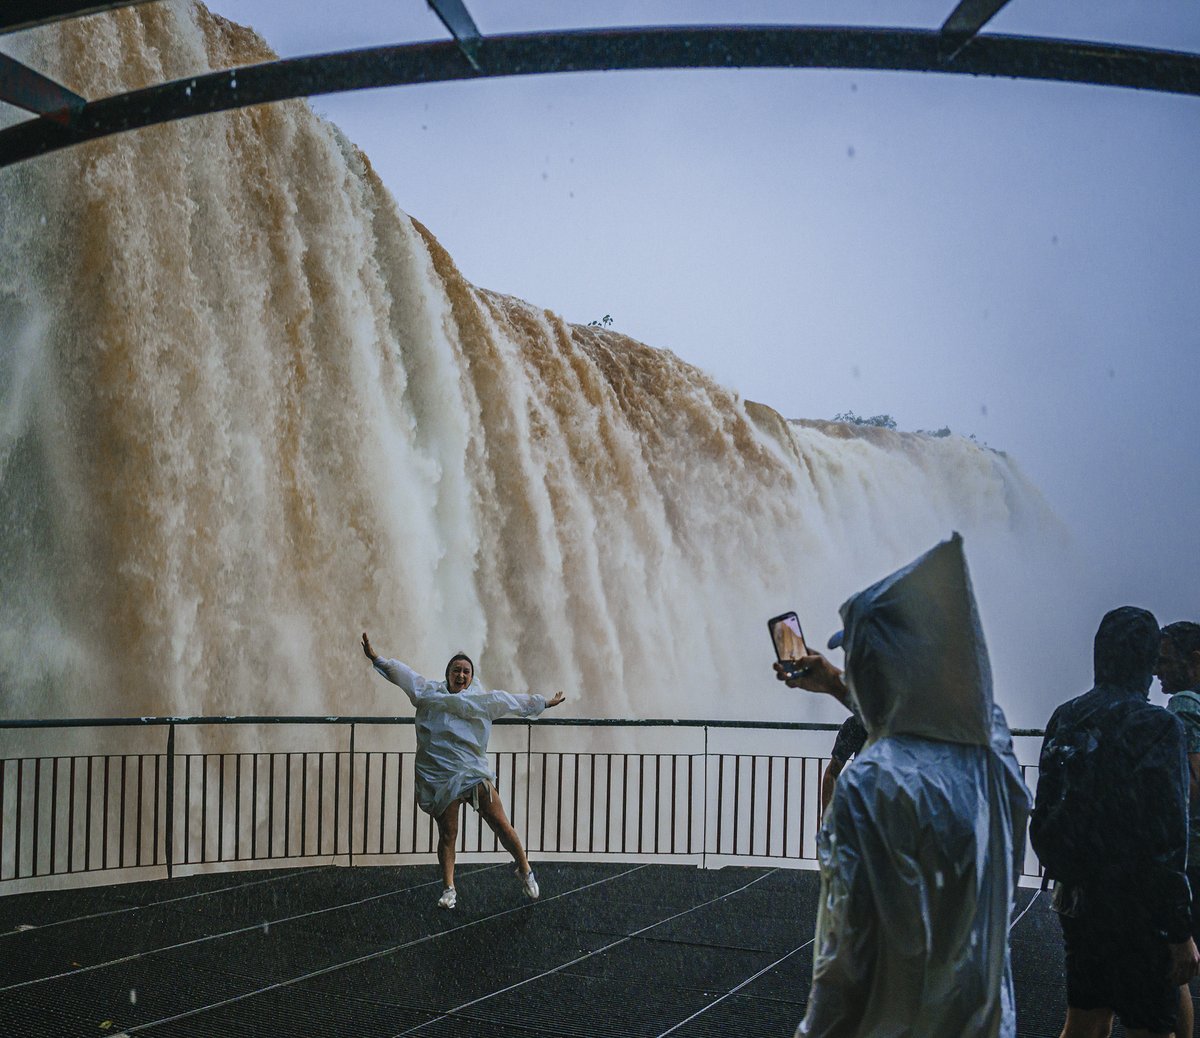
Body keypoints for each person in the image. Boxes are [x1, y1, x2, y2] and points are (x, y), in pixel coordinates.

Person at [773, 533, 1031, 1037]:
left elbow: (843, 965)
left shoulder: (871, 786)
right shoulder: (990, 751)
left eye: (861, 659)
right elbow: (924, 712)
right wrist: (835, 683)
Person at [1032, 607, 1198, 1038]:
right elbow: (1168, 837)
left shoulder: (1065, 716)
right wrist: (1179, 930)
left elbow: (1044, 814)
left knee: (1085, 1020)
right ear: (1147, 659)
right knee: (1150, 1026)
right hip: (1141, 909)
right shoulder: (1159, 726)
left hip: (1080, 902)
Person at [361, 633, 565, 909]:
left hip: (473, 772)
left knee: (501, 824)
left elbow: (513, 702)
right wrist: (376, 659)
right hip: (443, 775)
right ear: (448, 674)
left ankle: (525, 869)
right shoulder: (428, 692)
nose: (461, 675)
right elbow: (404, 675)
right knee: (448, 833)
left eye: (466, 671)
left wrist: (544, 703)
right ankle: (449, 889)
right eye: (456, 670)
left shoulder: (482, 700)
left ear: (471, 677)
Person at [1159, 621, 1200, 1037]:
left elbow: (1188, 785)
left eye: (1166, 661)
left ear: (1195, 662)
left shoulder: (1184, 705)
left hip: (1192, 858)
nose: (1157, 670)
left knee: (1171, 966)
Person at [820, 711, 866, 814]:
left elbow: (832, 773)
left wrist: (826, 817)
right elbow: (831, 774)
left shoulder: (856, 724)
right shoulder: (856, 724)